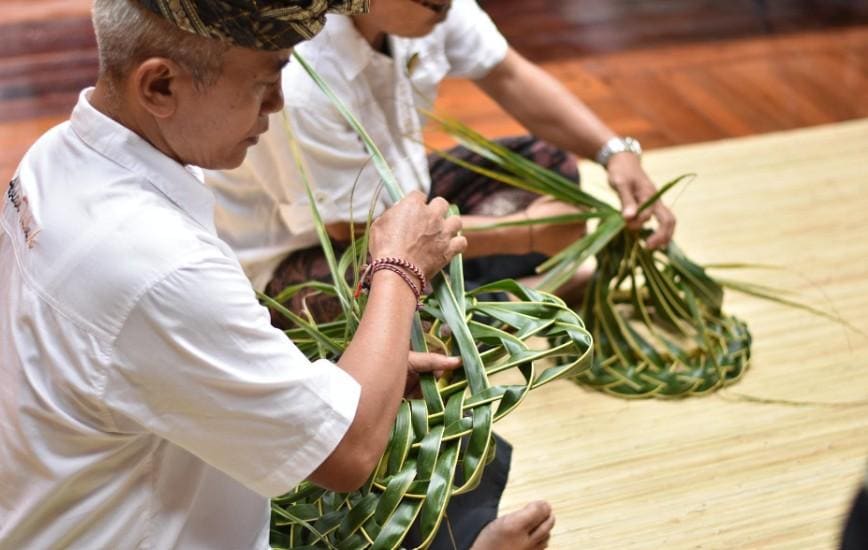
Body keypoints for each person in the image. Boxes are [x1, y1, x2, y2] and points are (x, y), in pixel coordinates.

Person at [0, 1, 473, 548]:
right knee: (444, 481)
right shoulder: (160, 267)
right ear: (159, 86)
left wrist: (359, 370)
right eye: (265, 80)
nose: (277, 102)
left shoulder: (54, 156)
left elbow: (146, 359)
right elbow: (348, 455)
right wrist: (399, 268)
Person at [205, 0, 677, 325]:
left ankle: (474, 289)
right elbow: (350, 229)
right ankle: (504, 297)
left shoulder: (431, 6)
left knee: (549, 166)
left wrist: (615, 152)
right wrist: (525, 231)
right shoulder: (301, 75)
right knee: (370, 306)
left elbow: (508, 74)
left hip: (405, 199)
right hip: (301, 253)